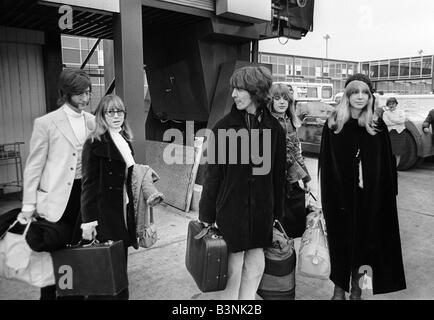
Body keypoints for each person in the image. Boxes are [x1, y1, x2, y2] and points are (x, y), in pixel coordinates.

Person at [199, 66, 286, 300]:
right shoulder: (223, 128)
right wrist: (206, 213)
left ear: (256, 91)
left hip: (261, 213)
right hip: (231, 211)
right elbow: (212, 175)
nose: (234, 94)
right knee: (232, 270)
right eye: (233, 89)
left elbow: (278, 175)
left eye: (239, 89)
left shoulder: (275, 129)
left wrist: (277, 212)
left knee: (256, 266)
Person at [319, 73, 406, 300]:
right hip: (340, 200)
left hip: (370, 200)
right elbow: (326, 166)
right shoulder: (334, 124)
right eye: (355, 92)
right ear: (347, 96)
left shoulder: (376, 126)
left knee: (365, 247)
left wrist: (388, 195)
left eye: (365, 93)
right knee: (340, 245)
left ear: (370, 97)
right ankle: (339, 290)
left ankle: (357, 292)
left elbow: (387, 165)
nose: (360, 97)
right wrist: (328, 197)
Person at [19, 68, 95, 300]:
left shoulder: (93, 122)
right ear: (66, 93)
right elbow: (34, 167)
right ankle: (50, 295)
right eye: (80, 93)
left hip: (85, 194)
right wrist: (28, 204)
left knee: (82, 246)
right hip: (56, 197)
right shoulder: (47, 123)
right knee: (54, 248)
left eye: (88, 93)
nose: (85, 98)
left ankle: (76, 292)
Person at [80, 94, 136, 300]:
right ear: (102, 115)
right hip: (104, 215)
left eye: (120, 111)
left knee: (119, 267)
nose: (116, 115)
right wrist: (88, 223)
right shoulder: (94, 143)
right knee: (105, 273)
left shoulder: (125, 140)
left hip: (122, 211)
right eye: (110, 111)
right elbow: (88, 185)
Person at [269, 83, 311, 237]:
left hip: (290, 178)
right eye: (277, 98)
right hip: (272, 178)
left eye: (285, 98)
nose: (281, 102)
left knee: (291, 221)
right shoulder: (266, 121)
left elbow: (296, 153)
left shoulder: (291, 121)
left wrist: (306, 178)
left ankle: (286, 251)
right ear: (270, 101)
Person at [382, 97, 406, 165]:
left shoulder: (401, 111)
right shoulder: (385, 113)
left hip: (400, 134)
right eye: (389, 104)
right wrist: (397, 121)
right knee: (389, 152)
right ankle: (390, 169)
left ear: (396, 104)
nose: (391, 105)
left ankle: (396, 168)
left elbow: (402, 120)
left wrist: (391, 119)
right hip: (390, 134)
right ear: (387, 105)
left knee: (398, 152)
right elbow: (386, 123)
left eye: (393, 103)